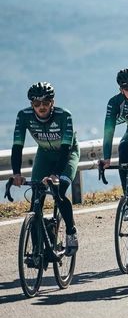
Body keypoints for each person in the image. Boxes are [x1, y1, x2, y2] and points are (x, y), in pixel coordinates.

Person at [11, 82, 80, 256]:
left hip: (68, 154)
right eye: (36, 103)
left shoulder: (64, 115)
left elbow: (65, 151)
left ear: (52, 102)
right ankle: (37, 249)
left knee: (59, 190)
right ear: (31, 105)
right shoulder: (23, 116)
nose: (41, 107)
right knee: (36, 197)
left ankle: (71, 232)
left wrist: (55, 175)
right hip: (44, 154)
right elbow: (17, 147)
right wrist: (16, 173)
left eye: (46, 102)